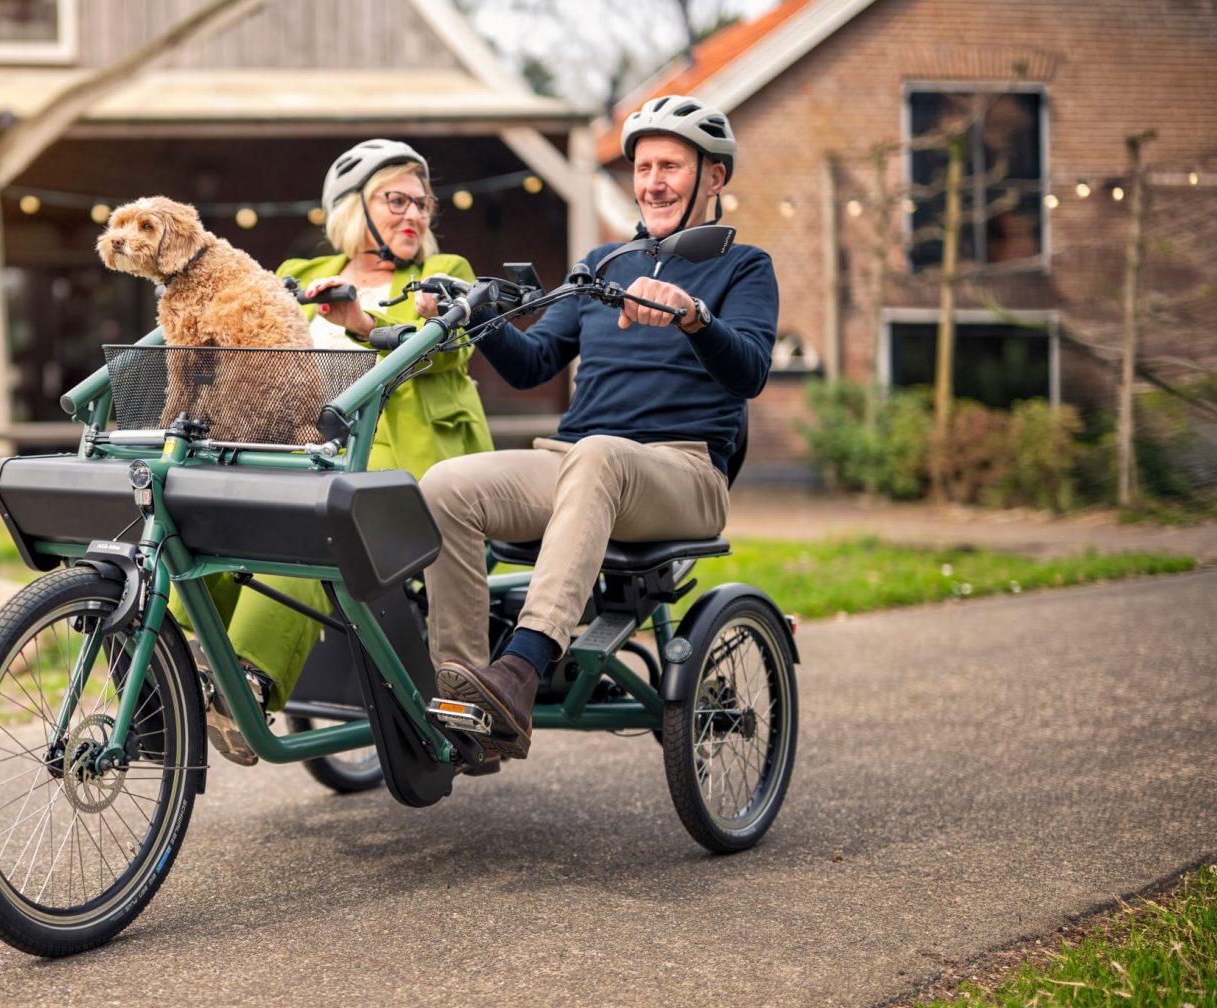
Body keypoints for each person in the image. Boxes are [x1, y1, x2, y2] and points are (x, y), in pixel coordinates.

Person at [421, 95, 779, 763]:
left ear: (715, 178)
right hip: (580, 461)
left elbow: (752, 370)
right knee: (446, 485)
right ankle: (470, 698)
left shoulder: (744, 266)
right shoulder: (604, 265)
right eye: (644, 167)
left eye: (671, 165)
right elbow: (532, 364)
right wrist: (468, 318)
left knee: (599, 456)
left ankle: (521, 670)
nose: (653, 182)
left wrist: (693, 316)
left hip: (685, 470)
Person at [185, 139, 493, 764]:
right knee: (211, 514)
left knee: (308, 527)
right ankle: (176, 649)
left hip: (408, 468)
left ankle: (246, 683)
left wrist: (358, 322)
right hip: (304, 455)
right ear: (354, 208)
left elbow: (455, 346)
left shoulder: (443, 273)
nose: (415, 215)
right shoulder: (298, 273)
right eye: (396, 200)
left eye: (423, 203)